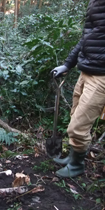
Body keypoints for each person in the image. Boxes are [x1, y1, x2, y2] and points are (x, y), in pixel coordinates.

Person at [50, 0, 105, 178]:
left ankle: (77, 165)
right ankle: (74, 157)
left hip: (101, 76)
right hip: (86, 70)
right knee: (75, 115)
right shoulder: (95, 3)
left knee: (78, 126)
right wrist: (68, 64)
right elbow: (87, 38)